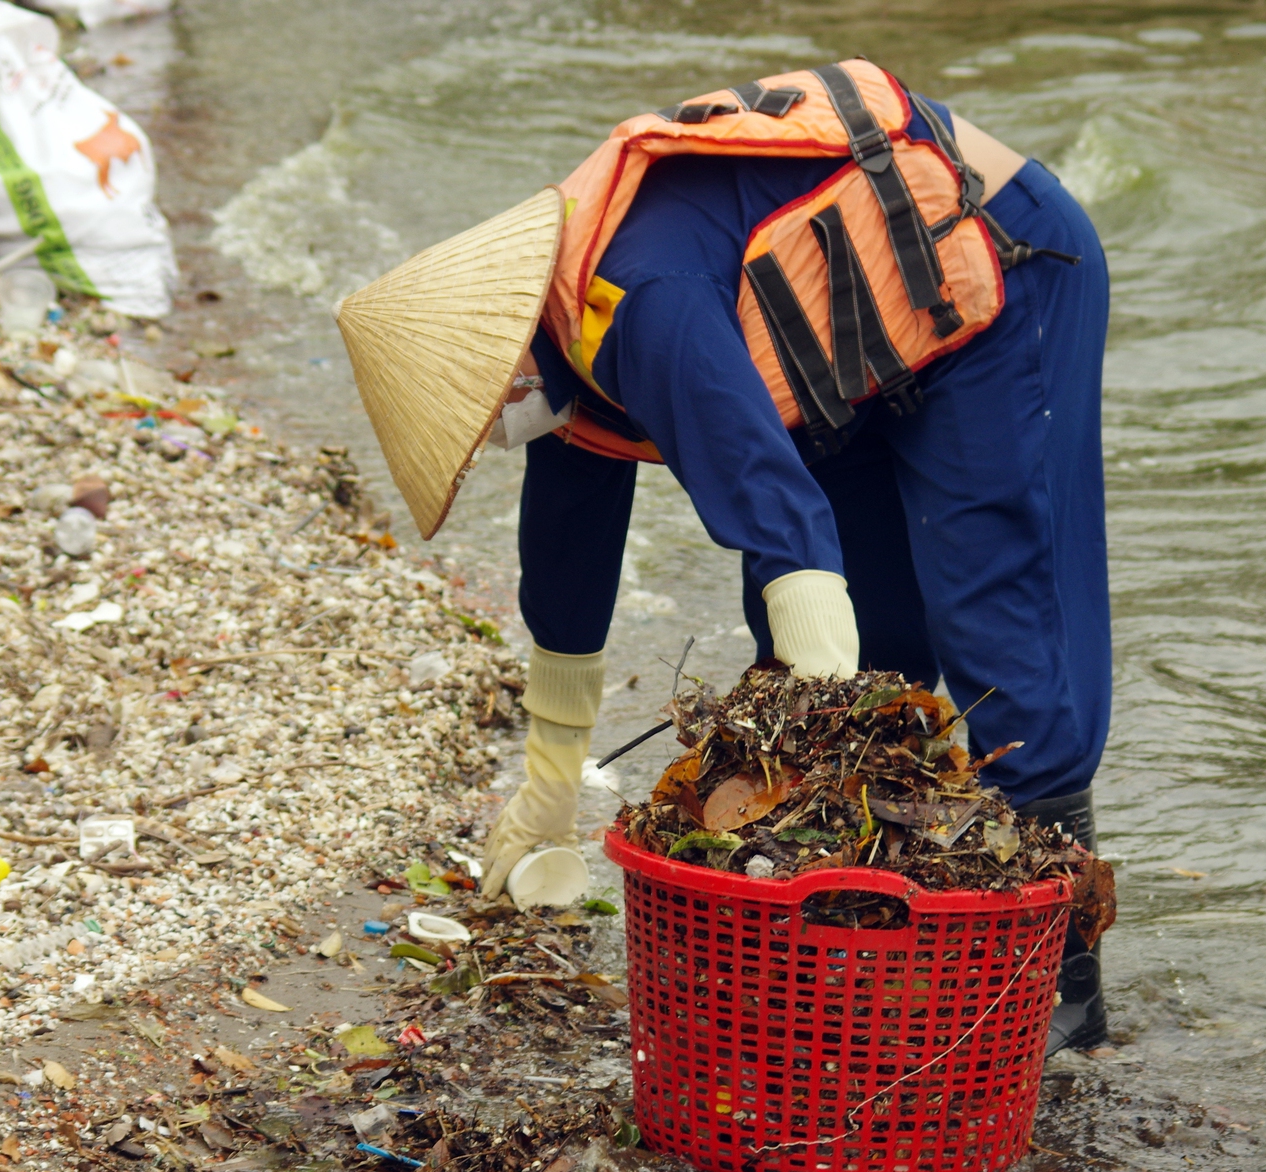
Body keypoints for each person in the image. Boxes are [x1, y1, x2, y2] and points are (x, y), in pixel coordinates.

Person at [334, 59, 1111, 1054]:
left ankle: (1063, 990)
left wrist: (823, 736)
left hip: (1002, 266)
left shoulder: (637, 300)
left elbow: (772, 514)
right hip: (866, 353)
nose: (489, 431)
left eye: (481, 409)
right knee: (878, 640)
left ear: (501, 350)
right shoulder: (562, 350)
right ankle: (894, 941)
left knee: (998, 620)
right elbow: (567, 565)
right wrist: (546, 789)